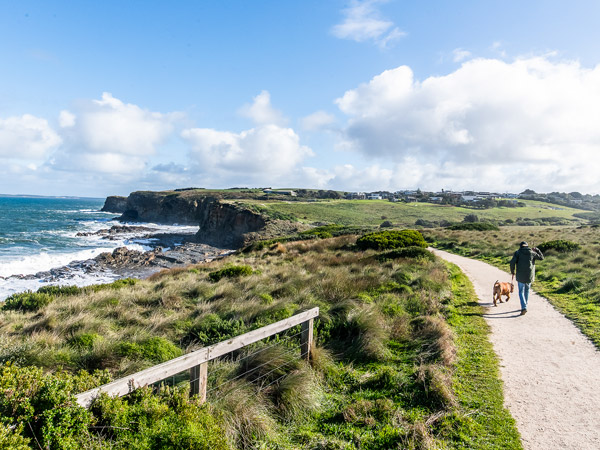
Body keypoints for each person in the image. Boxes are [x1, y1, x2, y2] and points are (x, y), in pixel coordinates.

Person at [510, 241, 544, 315]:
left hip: (520, 275)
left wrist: (512, 272)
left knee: (521, 291)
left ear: (520, 246)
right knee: (527, 290)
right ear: (527, 246)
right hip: (529, 276)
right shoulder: (532, 252)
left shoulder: (517, 252)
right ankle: (525, 305)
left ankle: (524, 307)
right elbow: (541, 258)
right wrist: (537, 250)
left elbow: (512, 263)